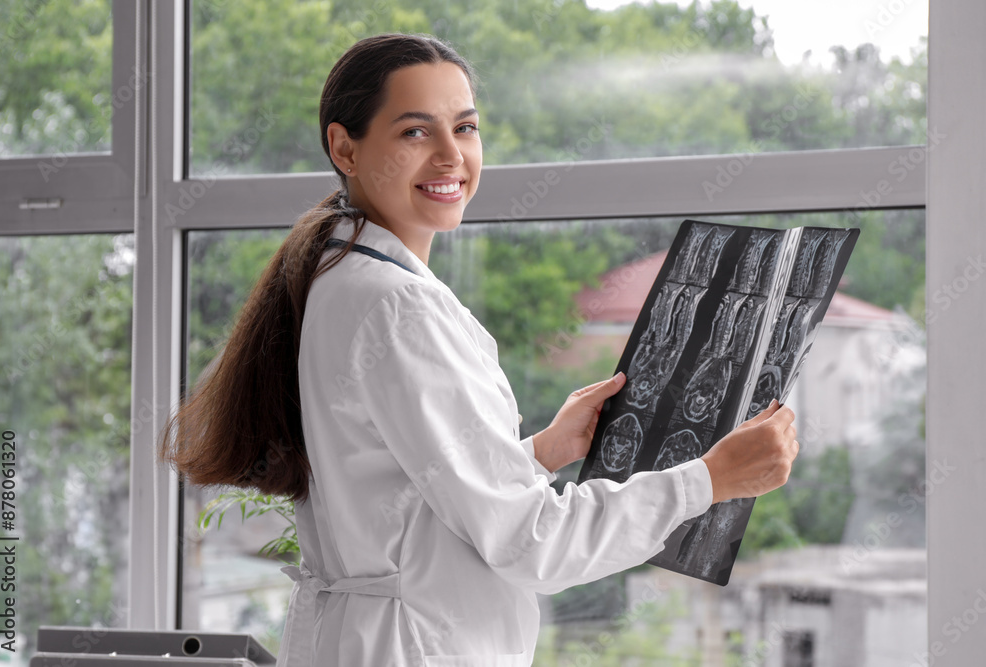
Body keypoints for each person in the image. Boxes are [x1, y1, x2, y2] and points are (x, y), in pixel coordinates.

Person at [159, 33, 798, 667]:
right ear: (344, 147)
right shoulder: (397, 307)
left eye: (464, 128)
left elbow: (405, 500)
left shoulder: (342, 278)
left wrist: (541, 453)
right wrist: (706, 480)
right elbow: (534, 545)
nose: (450, 157)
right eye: (415, 132)